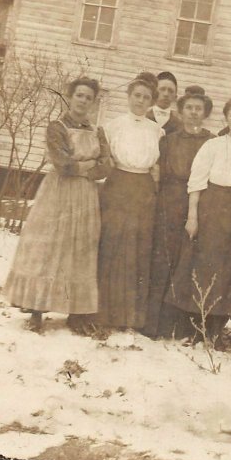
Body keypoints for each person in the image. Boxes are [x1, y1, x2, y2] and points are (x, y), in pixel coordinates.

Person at [3, 77, 112, 333]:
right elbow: (62, 164)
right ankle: (37, 311)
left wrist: (84, 169)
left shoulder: (98, 131)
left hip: (86, 196)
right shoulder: (57, 127)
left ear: (93, 102)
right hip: (58, 194)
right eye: (79, 95)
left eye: (88, 97)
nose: (83, 101)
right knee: (49, 248)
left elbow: (106, 166)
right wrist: (87, 166)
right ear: (70, 97)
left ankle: (76, 312)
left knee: (79, 249)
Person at [165, 99, 231, 342]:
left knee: (230, 268)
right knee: (204, 265)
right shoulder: (213, 145)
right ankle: (194, 326)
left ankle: (216, 329)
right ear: (226, 118)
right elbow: (196, 182)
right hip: (210, 209)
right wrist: (193, 216)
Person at [87, 72, 164, 331]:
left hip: (143, 189)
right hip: (118, 186)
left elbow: (157, 163)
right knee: (112, 246)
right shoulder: (113, 126)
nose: (141, 101)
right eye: (136, 96)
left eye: (146, 97)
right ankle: (102, 314)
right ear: (128, 97)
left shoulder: (157, 130)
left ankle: (129, 318)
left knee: (138, 250)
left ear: (152, 101)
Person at [144, 86, 216, 338]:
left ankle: (181, 326)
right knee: (163, 260)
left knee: (189, 263)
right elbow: (158, 175)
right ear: (181, 111)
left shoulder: (212, 141)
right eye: (189, 108)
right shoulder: (169, 139)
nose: (194, 113)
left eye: (199, 109)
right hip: (170, 202)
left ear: (205, 113)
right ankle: (154, 324)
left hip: (200, 205)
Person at [146, 71, 182, 135]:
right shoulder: (144, 117)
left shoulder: (180, 124)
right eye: (162, 89)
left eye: (170, 91)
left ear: (175, 97)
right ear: (154, 92)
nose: (166, 94)